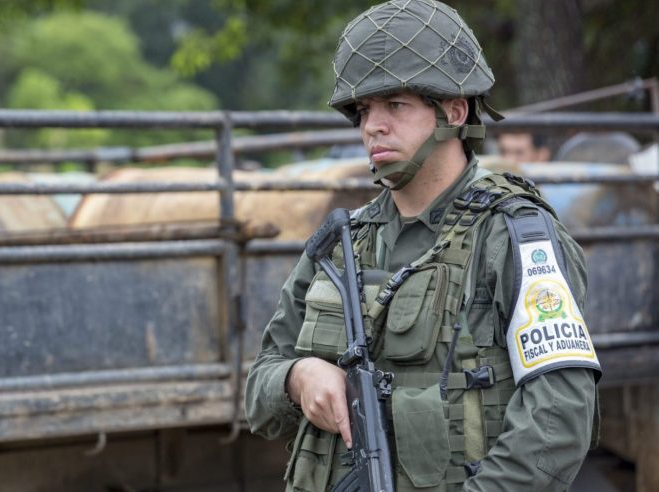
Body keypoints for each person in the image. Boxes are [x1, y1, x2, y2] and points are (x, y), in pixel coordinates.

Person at [244, 1, 601, 491]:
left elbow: (558, 419)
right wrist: (299, 376)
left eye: (395, 105)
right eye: (364, 110)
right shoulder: (338, 244)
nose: (373, 126)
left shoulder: (514, 236)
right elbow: (259, 393)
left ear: (453, 111)